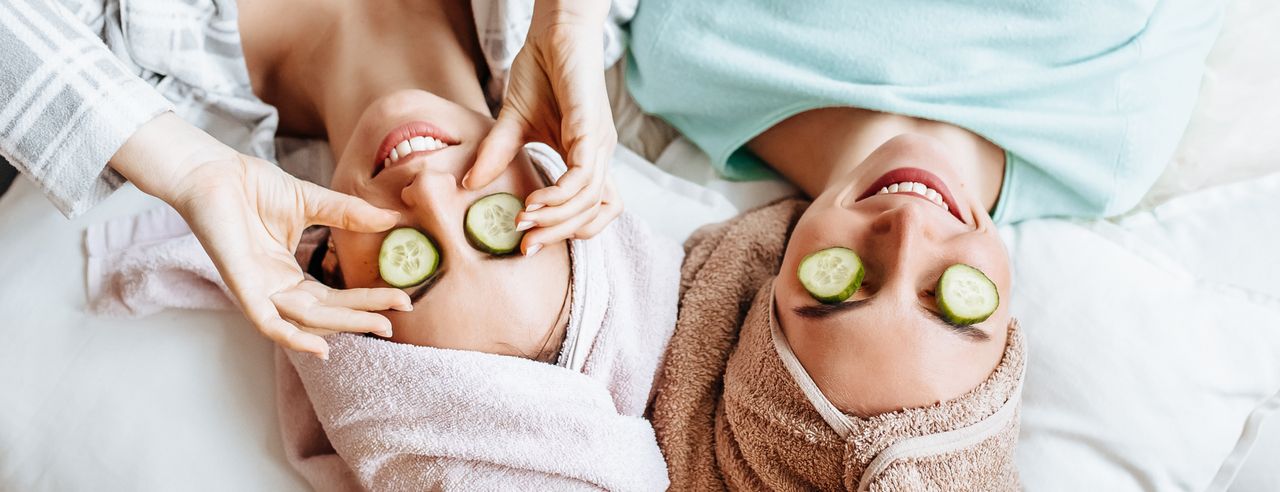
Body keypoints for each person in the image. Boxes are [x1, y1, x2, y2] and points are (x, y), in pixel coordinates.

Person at [623, 0, 1224, 488]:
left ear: (766, 286)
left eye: (843, 283)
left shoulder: (688, 48)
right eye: (954, 303)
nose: (908, 230)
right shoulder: (1121, 125)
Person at [0, 0, 619, 360]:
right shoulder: (579, 24)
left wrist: (189, 168)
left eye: (415, 262)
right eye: (500, 222)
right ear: (546, 172)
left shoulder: (122, 67)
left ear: (328, 268)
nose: (426, 192)